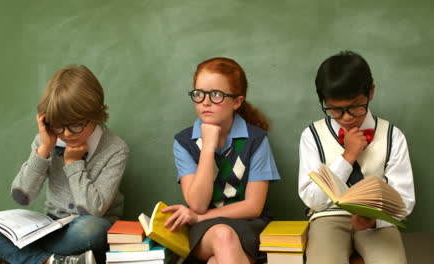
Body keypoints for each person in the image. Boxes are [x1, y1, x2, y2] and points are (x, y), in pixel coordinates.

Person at [0, 65, 129, 264]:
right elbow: (21, 196)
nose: (67, 134)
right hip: (48, 227)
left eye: (76, 124)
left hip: (87, 228)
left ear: (95, 115)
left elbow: (93, 210)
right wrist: (44, 149)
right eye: (59, 125)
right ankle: (49, 261)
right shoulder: (46, 141)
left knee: (92, 229)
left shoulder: (116, 149)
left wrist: (74, 163)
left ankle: (7, 256)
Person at [298, 51, 415, 264]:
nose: (347, 117)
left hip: (379, 222)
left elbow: (405, 201)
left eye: (355, 106)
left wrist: (374, 220)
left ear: (371, 92)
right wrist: (347, 156)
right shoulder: (312, 136)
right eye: (335, 110)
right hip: (328, 217)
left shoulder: (392, 136)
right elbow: (311, 198)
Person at [163, 57, 280, 264]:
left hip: (249, 225)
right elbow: (197, 204)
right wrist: (208, 146)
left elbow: (253, 206)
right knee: (222, 235)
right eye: (199, 94)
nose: (205, 102)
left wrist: (199, 217)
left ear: (237, 101)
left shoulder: (256, 140)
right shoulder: (183, 142)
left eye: (216, 94)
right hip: (205, 232)